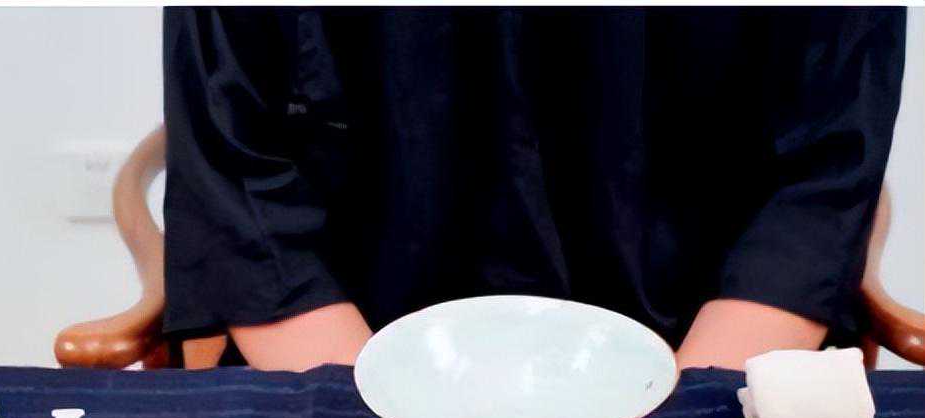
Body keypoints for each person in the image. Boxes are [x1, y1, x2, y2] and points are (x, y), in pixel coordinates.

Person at [161, 7, 905, 372]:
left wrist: (682, 416)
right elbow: (237, 174)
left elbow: (822, 169)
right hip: (359, 359)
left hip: (693, 356)